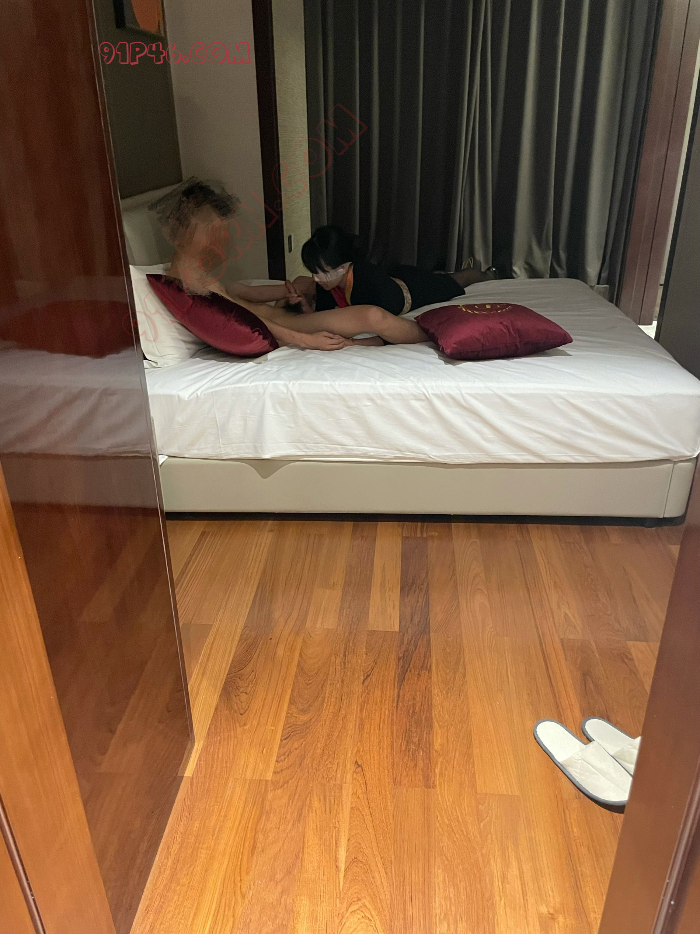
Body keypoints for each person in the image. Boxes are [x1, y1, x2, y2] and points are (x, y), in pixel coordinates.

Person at [149, 177, 428, 350]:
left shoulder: (198, 273)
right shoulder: (186, 283)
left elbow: (247, 292)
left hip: (280, 314)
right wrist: (307, 340)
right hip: (284, 323)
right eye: (210, 227)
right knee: (372, 316)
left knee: (304, 282)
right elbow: (246, 317)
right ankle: (431, 336)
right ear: (181, 228)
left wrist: (289, 290)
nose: (219, 236)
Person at [287, 224, 494, 316]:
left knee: (453, 281)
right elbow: (323, 315)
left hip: (413, 289)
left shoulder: (366, 278)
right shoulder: (326, 284)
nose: (317, 279)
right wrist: (305, 307)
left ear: (343, 266)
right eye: (314, 272)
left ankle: (488, 273)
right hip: (396, 276)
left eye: (324, 273)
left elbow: (385, 320)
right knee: (440, 277)